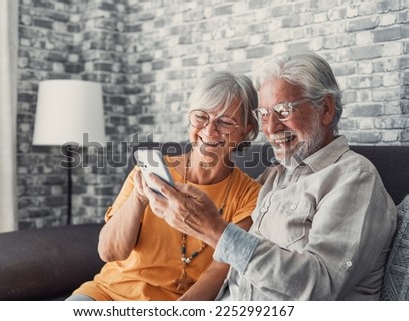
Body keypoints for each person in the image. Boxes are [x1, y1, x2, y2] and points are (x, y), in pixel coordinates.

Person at [145, 51, 397, 300]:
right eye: (264, 114)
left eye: (283, 111)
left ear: (326, 109)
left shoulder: (354, 178)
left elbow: (319, 287)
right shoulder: (273, 178)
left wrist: (214, 229)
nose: (270, 128)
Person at [67, 71, 261, 300]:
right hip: (106, 294)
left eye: (225, 122)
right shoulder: (150, 171)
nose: (209, 131)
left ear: (247, 130)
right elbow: (109, 252)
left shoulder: (251, 195)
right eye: (201, 117)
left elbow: (220, 270)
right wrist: (139, 199)